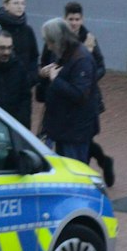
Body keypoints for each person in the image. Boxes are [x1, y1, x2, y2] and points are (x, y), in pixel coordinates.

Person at [38, 16, 101, 165]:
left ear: (57, 40)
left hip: (75, 131)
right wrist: (44, 74)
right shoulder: (67, 54)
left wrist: (56, 80)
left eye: (49, 41)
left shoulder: (81, 59)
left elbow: (80, 94)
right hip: (65, 127)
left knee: (74, 169)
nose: (47, 46)